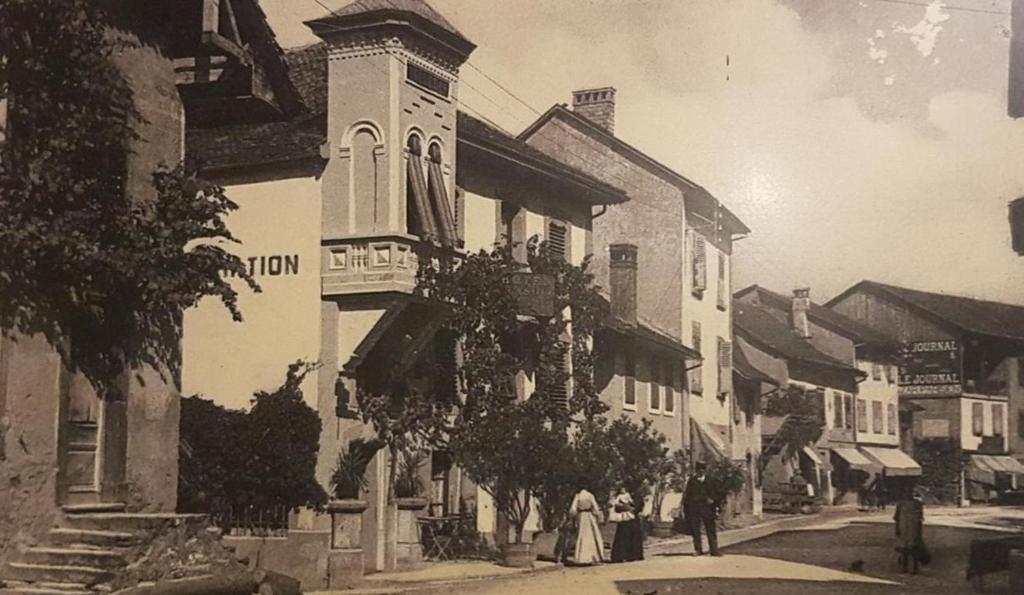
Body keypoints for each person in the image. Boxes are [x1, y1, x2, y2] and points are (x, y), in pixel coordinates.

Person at [683, 461, 721, 557]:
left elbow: (718, 493)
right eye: (698, 470)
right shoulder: (692, 481)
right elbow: (687, 495)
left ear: (705, 470)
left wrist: (713, 500)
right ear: (696, 471)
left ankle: (714, 550)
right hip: (694, 508)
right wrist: (686, 508)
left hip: (707, 508)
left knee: (710, 529)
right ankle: (698, 550)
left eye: (702, 470)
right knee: (695, 529)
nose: (700, 472)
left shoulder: (711, 480)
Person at [569, 482, 604, 565]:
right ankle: (593, 556)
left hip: (581, 516)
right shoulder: (590, 495)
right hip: (589, 516)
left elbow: (573, 509)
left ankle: (581, 558)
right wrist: (597, 515)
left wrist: (573, 516)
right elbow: (595, 507)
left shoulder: (578, 496)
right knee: (592, 535)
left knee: (582, 534)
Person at [893, 486, 926, 574]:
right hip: (903, 528)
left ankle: (915, 568)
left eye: (910, 492)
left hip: (913, 529)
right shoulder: (900, 504)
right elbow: (897, 518)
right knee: (904, 549)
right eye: (906, 492)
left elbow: (920, 519)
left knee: (914, 548)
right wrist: (897, 529)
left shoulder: (917, 504)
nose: (908, 494)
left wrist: (919, 531)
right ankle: (904, 567)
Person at [610, 486, 644, 562]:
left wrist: (632, 509)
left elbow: (638, 506)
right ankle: (621, 556)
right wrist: (623, 507)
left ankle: (633, 555)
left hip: (633, 518)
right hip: (624, 518)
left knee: (633, 536)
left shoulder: (637, 495)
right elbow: (616, 506)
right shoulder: (620, 496)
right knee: (622, 537)